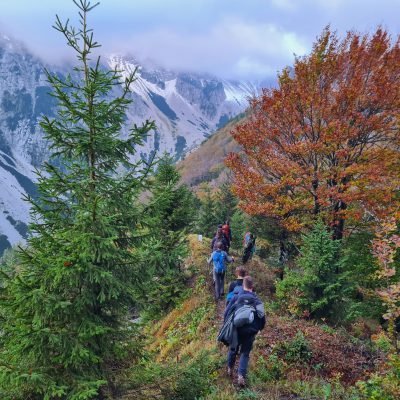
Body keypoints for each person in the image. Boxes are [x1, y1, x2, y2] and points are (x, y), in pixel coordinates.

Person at [226, 276, 265, 386]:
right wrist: (259, 328)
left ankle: (230, 369)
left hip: (237, 329)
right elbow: (262, 317)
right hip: (251, 330)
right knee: (245, 353)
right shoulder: (257, 300)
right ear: (252, 286)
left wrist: (226, 325)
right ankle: (241, 376)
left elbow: (227, 312)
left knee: (233, 349)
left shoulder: (236, 298)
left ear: (243, 285)